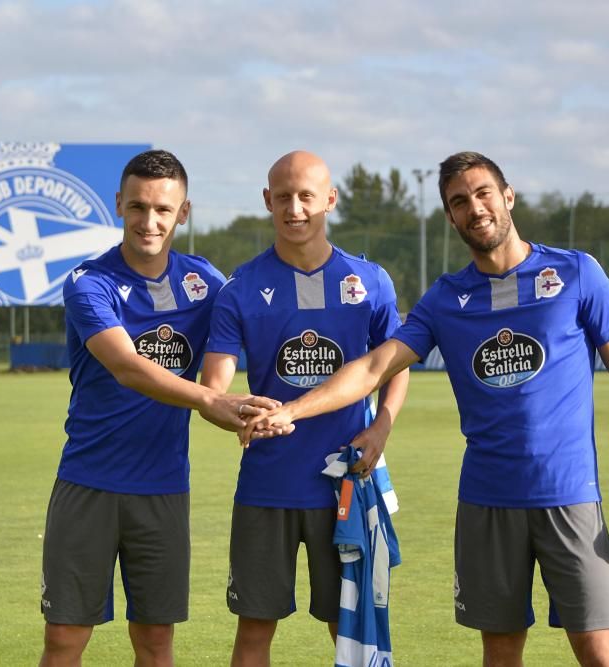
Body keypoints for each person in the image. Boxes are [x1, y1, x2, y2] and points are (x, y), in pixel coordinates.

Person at [245, 151, 609, 667]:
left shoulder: (576, 274)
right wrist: (296, 409)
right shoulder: (446, 298)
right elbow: (373, 366)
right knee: (499, 653)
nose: (475, 208)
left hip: (569, 496)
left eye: (483, 193)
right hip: (485, 503)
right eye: (459, 202)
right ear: (450, 217)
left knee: (600, 653)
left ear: (507, 196)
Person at [38, 149, 279, 667]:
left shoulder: (206, 283)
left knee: (155, 642)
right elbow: (126, 366)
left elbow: (253, 329)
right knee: (64, 639)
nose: (150, 222)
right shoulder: (89, 282)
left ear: (183, 214)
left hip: (164, 489)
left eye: (163, 210)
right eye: (138, 207)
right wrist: (211, 399)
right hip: (89, 484)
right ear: (119, 205)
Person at [200, 150, 410, 667]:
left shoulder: (370, 282)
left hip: (343, 484)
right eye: (284, 197)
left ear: (329, 201)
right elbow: (216, 380)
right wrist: (225, 405)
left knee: (349, 627)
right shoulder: (240, 288)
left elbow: (394, 364)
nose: (295, 208)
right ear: (267, 201)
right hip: (266, 486)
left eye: (307, 196)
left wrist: (382, 425)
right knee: (254, 627)